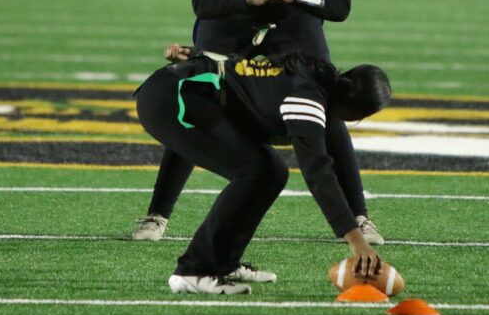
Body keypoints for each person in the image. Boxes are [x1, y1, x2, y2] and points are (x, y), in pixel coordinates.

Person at [133, 0, 383, 245]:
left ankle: (359, 215)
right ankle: (157, 214)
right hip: (233, 19)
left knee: (325, 98)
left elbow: (340, 5)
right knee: (200, 98)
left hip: (293, 19)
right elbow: (202, 1)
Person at [135, 50, 392, 294]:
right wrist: (356, 239)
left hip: (181, 88)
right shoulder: (306, 97)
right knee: (254, 171)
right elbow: (318, 173)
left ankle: (224, 264)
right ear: (358, 112)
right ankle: (193, 271)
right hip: (173, 96)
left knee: (271, 172)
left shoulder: (312, 75)